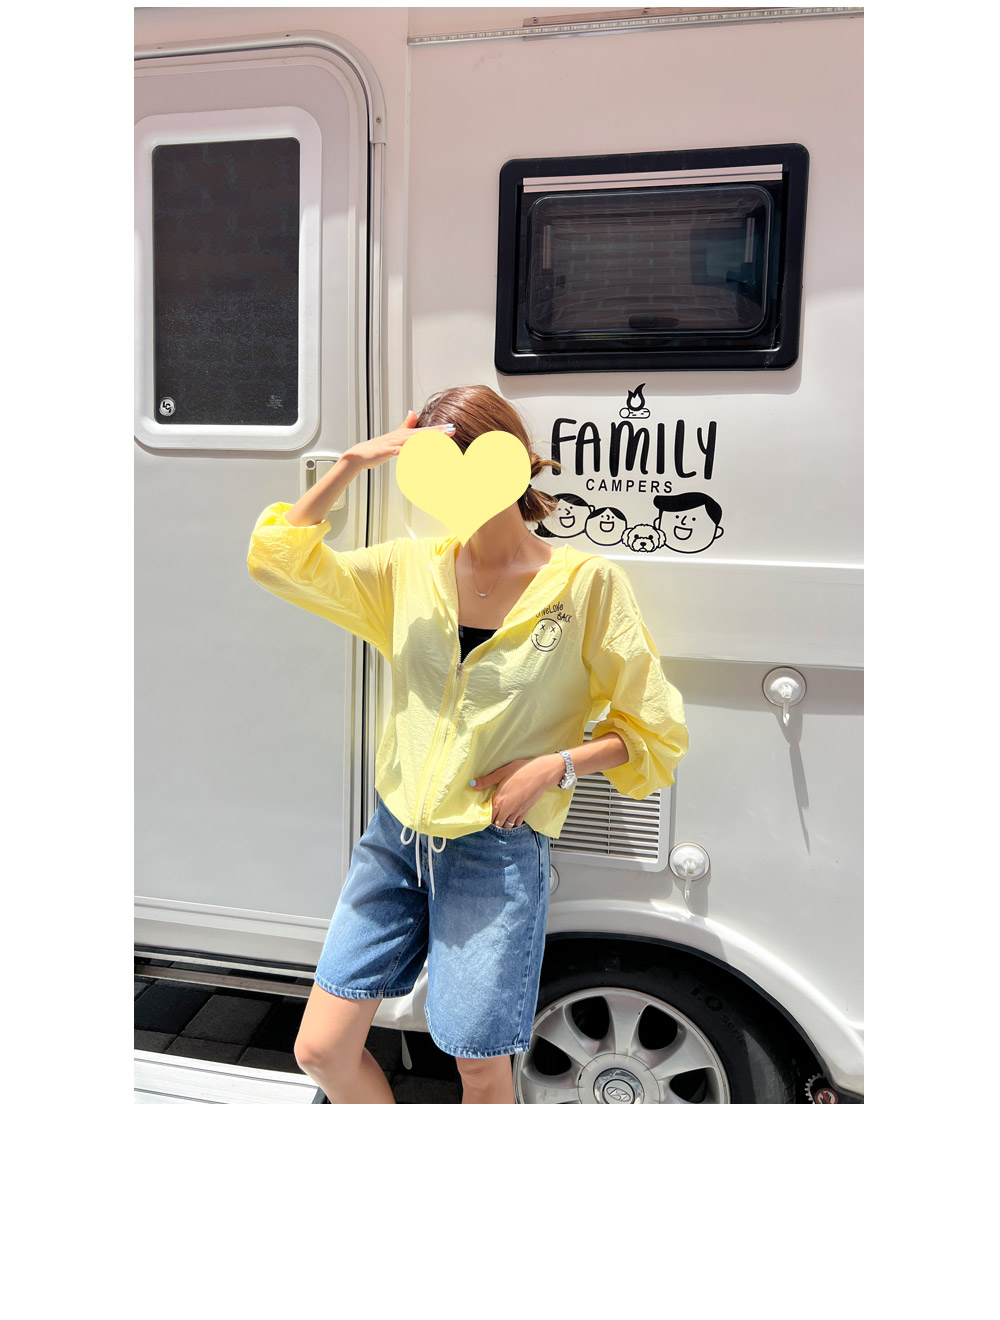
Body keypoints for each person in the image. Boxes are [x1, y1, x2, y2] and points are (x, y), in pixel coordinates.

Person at [246, 385, 689, 1104]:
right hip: (395, 840)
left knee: (479, 1065)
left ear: (510, 463)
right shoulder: (408, 572)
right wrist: (349, 464)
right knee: (320, 1050)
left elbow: (653, 728)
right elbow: (277, 561)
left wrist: (554, 766)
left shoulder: (585, 586)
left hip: (494, 851)